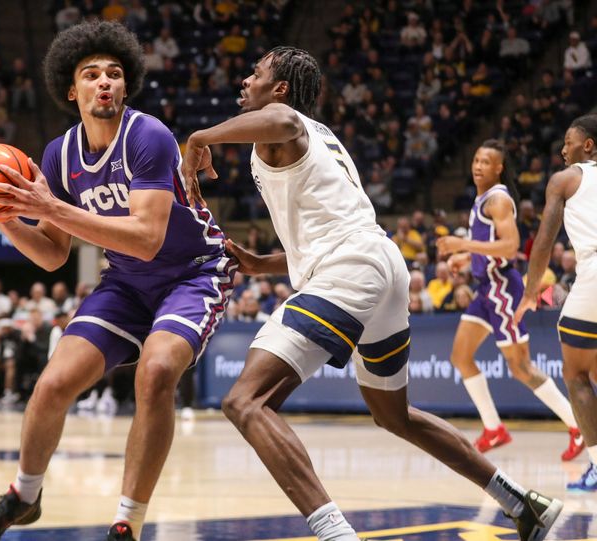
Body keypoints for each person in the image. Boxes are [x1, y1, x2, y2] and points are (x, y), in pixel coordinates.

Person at [181, 47, 560, 541]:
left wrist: (198, 138)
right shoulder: (324, 138)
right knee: (393, 414)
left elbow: (280, 121)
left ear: (280, 90)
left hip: (352, 268)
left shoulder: (286, 123)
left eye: (257, 73)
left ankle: (336, 534)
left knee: (244, 401)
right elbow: (333, 229)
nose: (246, 79)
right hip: (379, 264)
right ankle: (521, 501)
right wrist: (266, 263)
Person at [0, 21, 234, 541]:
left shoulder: (148, 136)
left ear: (125, 88)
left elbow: (148, 237)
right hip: (126, 282)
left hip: (191, 274)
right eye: (91, 74)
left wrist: (52, 206)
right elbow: (54, 256)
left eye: (114, 74)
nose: (104, 82)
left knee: (154, 374)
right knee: (54, 382)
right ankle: (24, 495)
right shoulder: (60, 155)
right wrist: (7, 217)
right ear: (72, 90)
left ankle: (127, 522)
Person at [436, 140, 582, 459]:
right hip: (485, 287)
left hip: (503, 289)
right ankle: (494, 429)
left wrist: (463, 245)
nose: (478, 166)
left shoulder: (499, 199)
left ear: (499, 168)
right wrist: (467, 260)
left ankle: (577, 426)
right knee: (461, 356)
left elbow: (509, 246)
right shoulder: (483, 198)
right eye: (475, 159)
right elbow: (488, 245)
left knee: (521, 368)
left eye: (485, 162)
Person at [517, 114, 597, 492]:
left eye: (569, 141)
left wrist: (532, 290)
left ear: (589, 146)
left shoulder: (566, 179)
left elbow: (544, 242)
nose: (563, 148)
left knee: (576, 375)